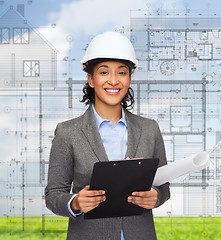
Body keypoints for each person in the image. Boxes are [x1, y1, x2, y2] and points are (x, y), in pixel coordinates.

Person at [45, 31, 170, 240]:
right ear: (91, 79)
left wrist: (156, 197)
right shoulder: (68, 133)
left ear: (129, 78)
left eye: (122, 72)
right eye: (104, 72)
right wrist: (75, 202)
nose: (113, 81)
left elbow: (163, 186)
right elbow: (53, 194)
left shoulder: (150, 129)